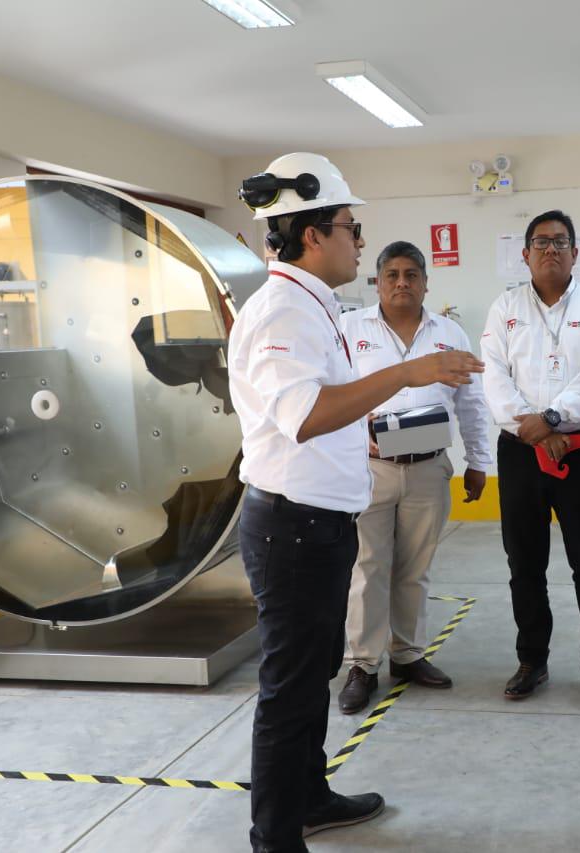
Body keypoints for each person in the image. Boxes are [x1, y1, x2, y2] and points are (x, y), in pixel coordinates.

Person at [228, 153, 483, 853]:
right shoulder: (285, 310)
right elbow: (305, 413)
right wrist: (409, 371)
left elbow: (322, 411)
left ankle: (308, 795)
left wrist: (376, 424)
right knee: (289, 687)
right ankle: (276, 837)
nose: (360, 240)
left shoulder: (314, 304)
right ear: (313, 233)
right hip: (295, 529)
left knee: (312, 678)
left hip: (320, 521)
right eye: (351, 226)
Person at [336, 241, 493, 713]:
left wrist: (478, 462)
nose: (402, 283)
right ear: (378, 282)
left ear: (426, 282)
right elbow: (331, 395)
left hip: (428, 468)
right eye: (392, 275)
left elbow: (471, 403)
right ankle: (362, 664)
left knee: (415, 569)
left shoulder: (449, 334)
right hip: (369, 470)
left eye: (411, 274)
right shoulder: (348, 330)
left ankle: (406, 655)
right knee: (366, 569)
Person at [480, 209, 580, 706]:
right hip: (520, 453)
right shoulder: (505, 308)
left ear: (575, 254)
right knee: (525, 563)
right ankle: (532, 660)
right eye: (540, 242)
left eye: (561, 242)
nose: (550, 250)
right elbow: (494, 376)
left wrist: (555, 419)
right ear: (524, 254)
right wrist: (537, 430)